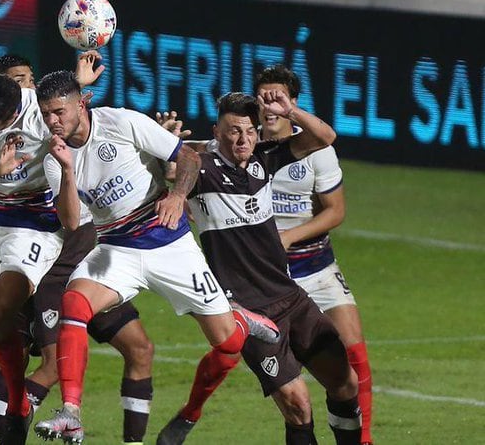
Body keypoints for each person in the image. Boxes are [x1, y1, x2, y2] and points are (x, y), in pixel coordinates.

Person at [0, 54, 155, 445]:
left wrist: (79, 82)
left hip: (78, 248)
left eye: (29, 80)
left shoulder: (49, 120)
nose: (27, 87)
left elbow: (73, 114)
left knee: (136, 347)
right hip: (27, 250)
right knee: (17, 347)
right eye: (19, 81)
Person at [31, 70, 279, 444]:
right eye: (46, 113)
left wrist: (178, 195)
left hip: (169, 243)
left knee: (227, 343)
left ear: (81, 104)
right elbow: (69, 221)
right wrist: (66, 168)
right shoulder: (55, 157)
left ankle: (239, 319)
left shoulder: (123, 122)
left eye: (59, 112)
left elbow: (190, 159)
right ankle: (71, 413)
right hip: (116, 247)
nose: (53, 121)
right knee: (74, 303)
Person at [156, 91, 361, 445]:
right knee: (298, 404)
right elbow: (177, 170)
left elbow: (325, 138)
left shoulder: (265, 159)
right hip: (250, 313)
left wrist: (291, 111)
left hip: (289, 295)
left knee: (345, 382)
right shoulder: (202, 169)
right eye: (234, 130)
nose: (243, 139)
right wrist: (164, 151)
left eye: (250, 131)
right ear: (216, 131)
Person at [261, 65, 374, 445]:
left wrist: (291, 235)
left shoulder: (313, 151)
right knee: (242, 361)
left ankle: (364, 438)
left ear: (293, 102)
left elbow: (335, 212)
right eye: (264, 98)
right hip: (270, 277)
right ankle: (188, 416)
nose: (270, 106)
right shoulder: (247, 148)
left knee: (354, 354)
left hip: (317, 267)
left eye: (278, 98)